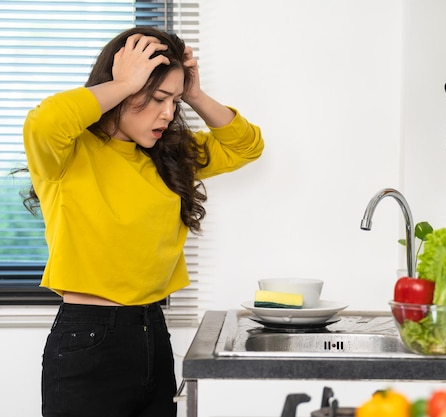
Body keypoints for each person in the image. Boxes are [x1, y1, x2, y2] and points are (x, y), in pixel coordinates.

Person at [22, 27, 264, 417]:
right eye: (155, 98)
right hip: (89, 337)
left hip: (153, 330)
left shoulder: (170, 157)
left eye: (174, 101)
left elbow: (247, 146)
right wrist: (123, 83)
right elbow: (44, 120)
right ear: (122, 89)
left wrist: (195, 94)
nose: (168, 113)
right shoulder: (68, 155)